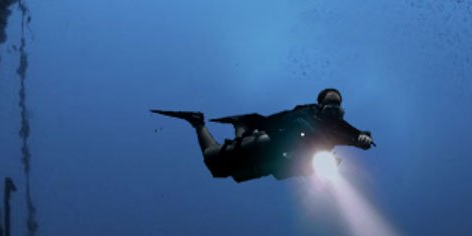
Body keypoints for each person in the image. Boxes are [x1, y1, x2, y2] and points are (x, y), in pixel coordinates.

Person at [151, 88, 374, 182]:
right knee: (213, 159)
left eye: (337, 105)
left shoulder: (338, 127)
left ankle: (238, 126)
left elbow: (354, 135)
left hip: (278, 162)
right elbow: (275, 120)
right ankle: (198, 123)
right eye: (329, 104)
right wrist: (254, 124)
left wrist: (362, 139)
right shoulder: (304, 114)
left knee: (229, 174)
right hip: (267, 146)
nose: (333, 110)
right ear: (320, 105)